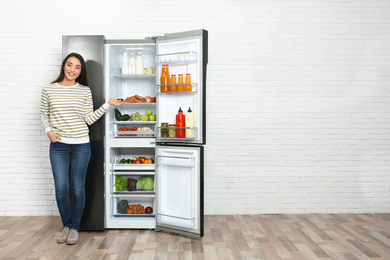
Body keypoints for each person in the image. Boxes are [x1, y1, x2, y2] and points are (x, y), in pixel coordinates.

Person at [40, 53, 124, 245]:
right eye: (69, 65)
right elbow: (43, 114)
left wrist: (107, 105)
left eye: (77, 67)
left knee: (78, 188)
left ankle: (75, 228)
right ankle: (66, 226)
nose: (72, 70)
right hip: (58, 146)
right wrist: (49, 132)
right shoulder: (48, 90)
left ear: (80, 71)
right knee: (61, 189)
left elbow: (88, 119)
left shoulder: (84, 91)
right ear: (63, 66)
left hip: (81, 145)